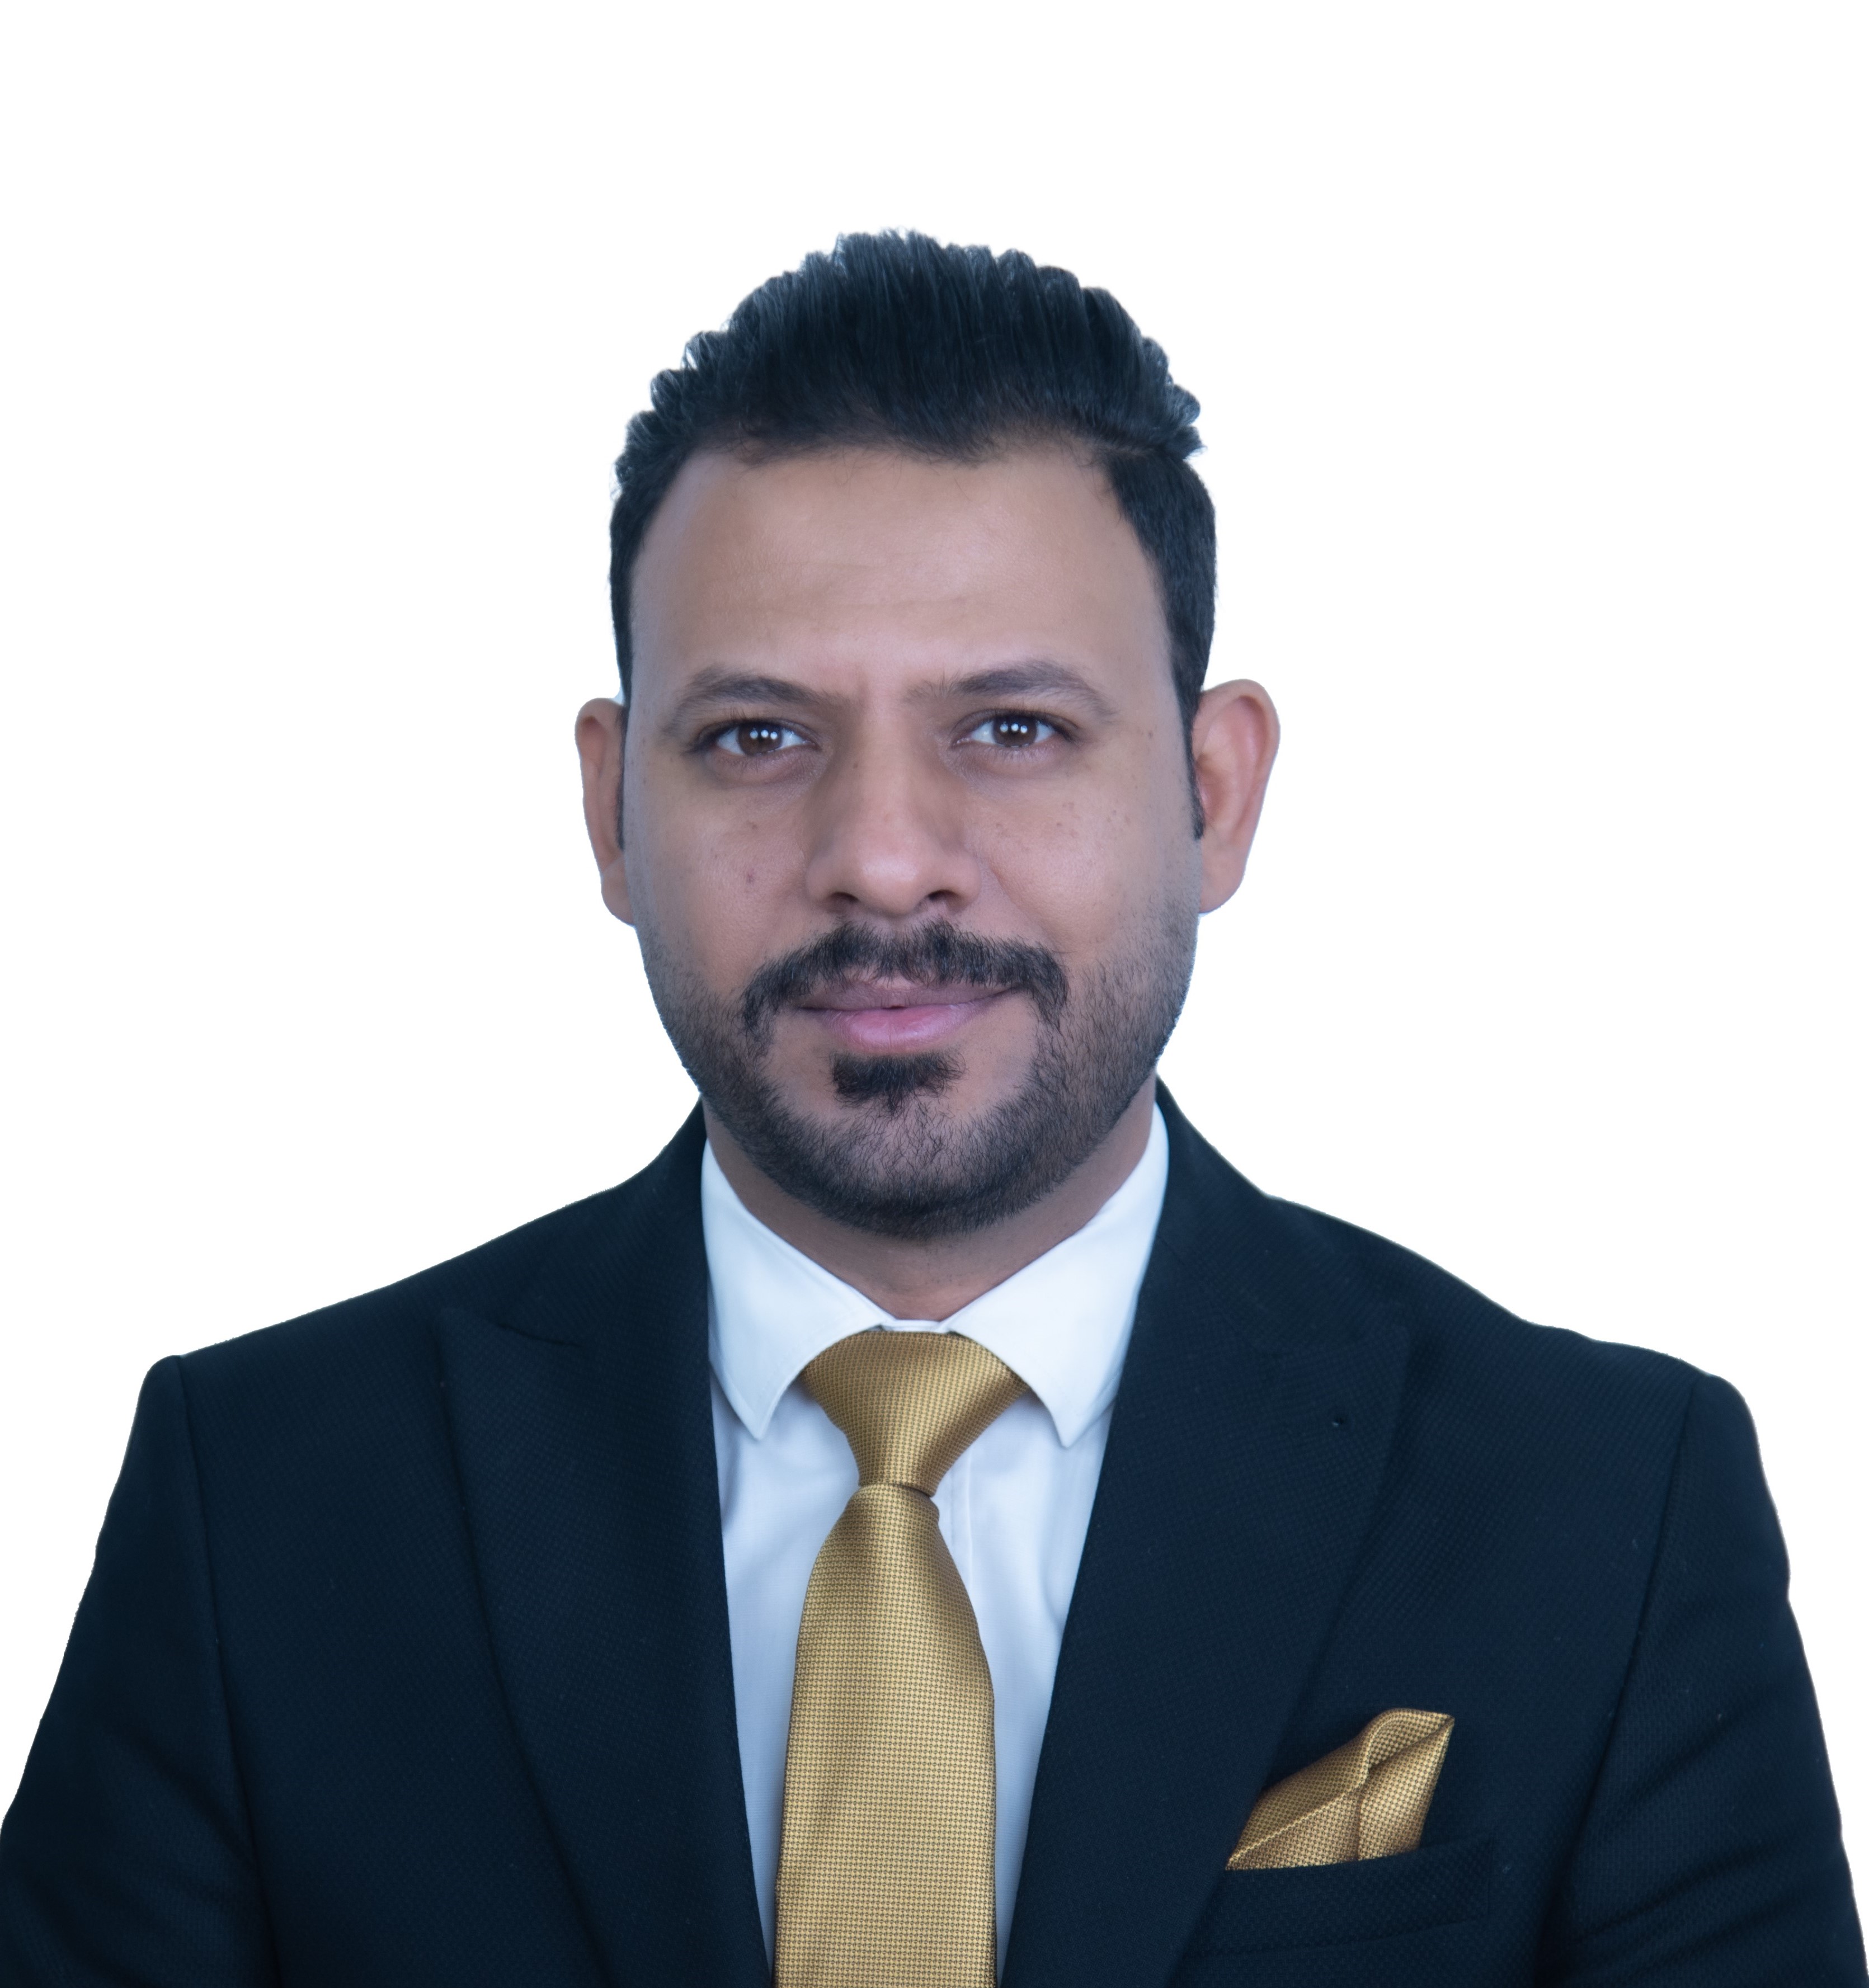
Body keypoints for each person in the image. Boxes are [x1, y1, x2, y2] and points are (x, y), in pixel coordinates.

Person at [0, 232, 1859, 1988]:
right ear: (612, 811)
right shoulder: (260, 1506)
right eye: (757, 736)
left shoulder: (1607, 1510)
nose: (883, 859)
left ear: (1215, 794)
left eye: (1012, 728)